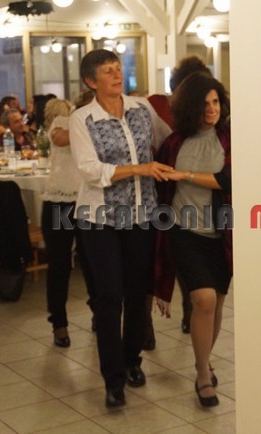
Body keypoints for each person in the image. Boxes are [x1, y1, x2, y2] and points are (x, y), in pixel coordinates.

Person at [69, 49, 171, 408]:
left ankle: (132, 361)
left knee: (137, 291)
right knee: (109, 296)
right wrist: (139, 169)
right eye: (107, 71)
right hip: (100, 219)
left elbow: (167, 141)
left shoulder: (142, 108)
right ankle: (112, 379)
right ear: (91, 81)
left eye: (118, 68)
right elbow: (90, 171)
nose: (116, 75)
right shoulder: (82, 118)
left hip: (142, 214)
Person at [154, 72, 232, 408]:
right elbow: (160, 184)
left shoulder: (229, 139)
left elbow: (229, 179)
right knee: (204, 300)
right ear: (190, 107)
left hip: (223, 233)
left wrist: (185, 175)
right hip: (183, 230)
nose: (212, 109)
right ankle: (202, 374)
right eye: (204, 104)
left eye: (216, 102)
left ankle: (205, 360)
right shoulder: (174, 143)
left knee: (218, 303)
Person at [147, 56, 213, 338]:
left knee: (190, 262)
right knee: (153, 257)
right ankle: (145, 324)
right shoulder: (155, 105)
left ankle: (189, 311)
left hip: (194, 195)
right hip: (156, 190)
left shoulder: (207, 110)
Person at [40, 98, 83, 347]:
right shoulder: (63, 122)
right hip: (60, 203)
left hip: (89, 203)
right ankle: (59, 323)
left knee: (93, 262)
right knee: (60, 264)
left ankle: (99, 314)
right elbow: (59, 138)